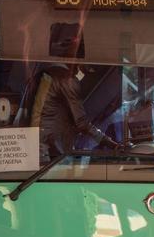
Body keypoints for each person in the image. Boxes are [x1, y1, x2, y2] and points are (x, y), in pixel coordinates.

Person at [32, 23, 122, 162]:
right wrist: (110, 143)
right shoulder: (66, 79)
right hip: (50, 153)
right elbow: (82, 123)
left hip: (38, 148)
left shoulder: (47, 74)